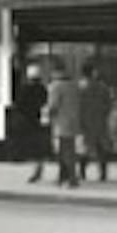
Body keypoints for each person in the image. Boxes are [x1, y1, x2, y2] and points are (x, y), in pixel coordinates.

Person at [45, 60, 83, 188]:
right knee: (69, 150)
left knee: (65, 151)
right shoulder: (74, 85)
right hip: (74, 121)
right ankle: (63, 177)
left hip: (61, 122)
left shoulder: (56, 86)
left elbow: (53, 105)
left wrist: (47, 116)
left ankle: (71, 178)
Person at [14, 62, 50, 184]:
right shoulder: (42, 89)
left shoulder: (25, 89)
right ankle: (39, 169)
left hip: (28, 121)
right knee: (39, 148)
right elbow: (45, 102)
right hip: (39, 120)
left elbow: (19, 105)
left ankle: (36, 171)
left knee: (33, 148)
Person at [77, 63, 114, 183]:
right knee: (101, 148)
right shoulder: (102, 87)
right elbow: (109, 104)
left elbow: (77, 106)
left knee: (86, 148)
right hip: (100, 121)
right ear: (93, 72)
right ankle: (103, 173)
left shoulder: (80, 87)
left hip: (86, 122)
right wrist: (104, 114)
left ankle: (82, 172)